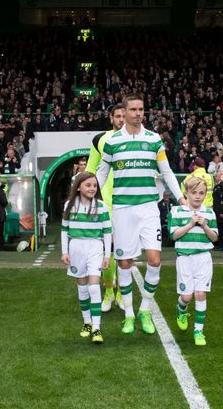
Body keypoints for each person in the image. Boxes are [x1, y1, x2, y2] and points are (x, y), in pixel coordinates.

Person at [96, 93, 186, 335]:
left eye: (140, 109)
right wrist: (90, 198)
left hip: (148, 208)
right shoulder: (112, 142)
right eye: (133, 109)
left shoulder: (154, 139)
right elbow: (102, 173)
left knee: (155, 260)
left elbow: (166, 172)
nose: (137, 113)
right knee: (124, 262)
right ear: (123, 113)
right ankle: (129, 314)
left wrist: (180, 197)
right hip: (122, 209)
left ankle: (145, 309)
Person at [60, 172, 112, 344]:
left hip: (95, 247)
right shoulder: (69, 205)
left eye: (94, 186)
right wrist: (65, 251)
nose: (92, 188)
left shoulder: (102, 206)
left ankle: (97, 328)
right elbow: (64, 230)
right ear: (79, 186)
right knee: (82, 287)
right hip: (76, 248)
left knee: (94, 287)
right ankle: (87, 322)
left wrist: (107, 254)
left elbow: (107, 232)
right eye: (88, 185)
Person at [170, 177, 219, 346]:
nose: (198, 197)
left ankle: (199, 331)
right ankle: (181, 309)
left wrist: (205, 226)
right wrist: (191, 224)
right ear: (186, 193)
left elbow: (214, 238)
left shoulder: (209, 213)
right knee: (186, 296)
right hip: (184, 258)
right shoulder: (177, 212)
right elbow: (174, 235)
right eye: (194, 193)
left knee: (200, 294)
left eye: (202, 193)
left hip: (203, 257)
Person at [85, 103, 124, 313]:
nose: (120, 120)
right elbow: (91, 170)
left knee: (123, 253)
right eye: (117, 116)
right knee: (106, 251)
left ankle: (121, 292)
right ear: (111, 118)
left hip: (127, 204)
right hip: (106, 204)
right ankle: (109, 291)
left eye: (123, 116)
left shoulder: (135, 140)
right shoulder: (100, 139)